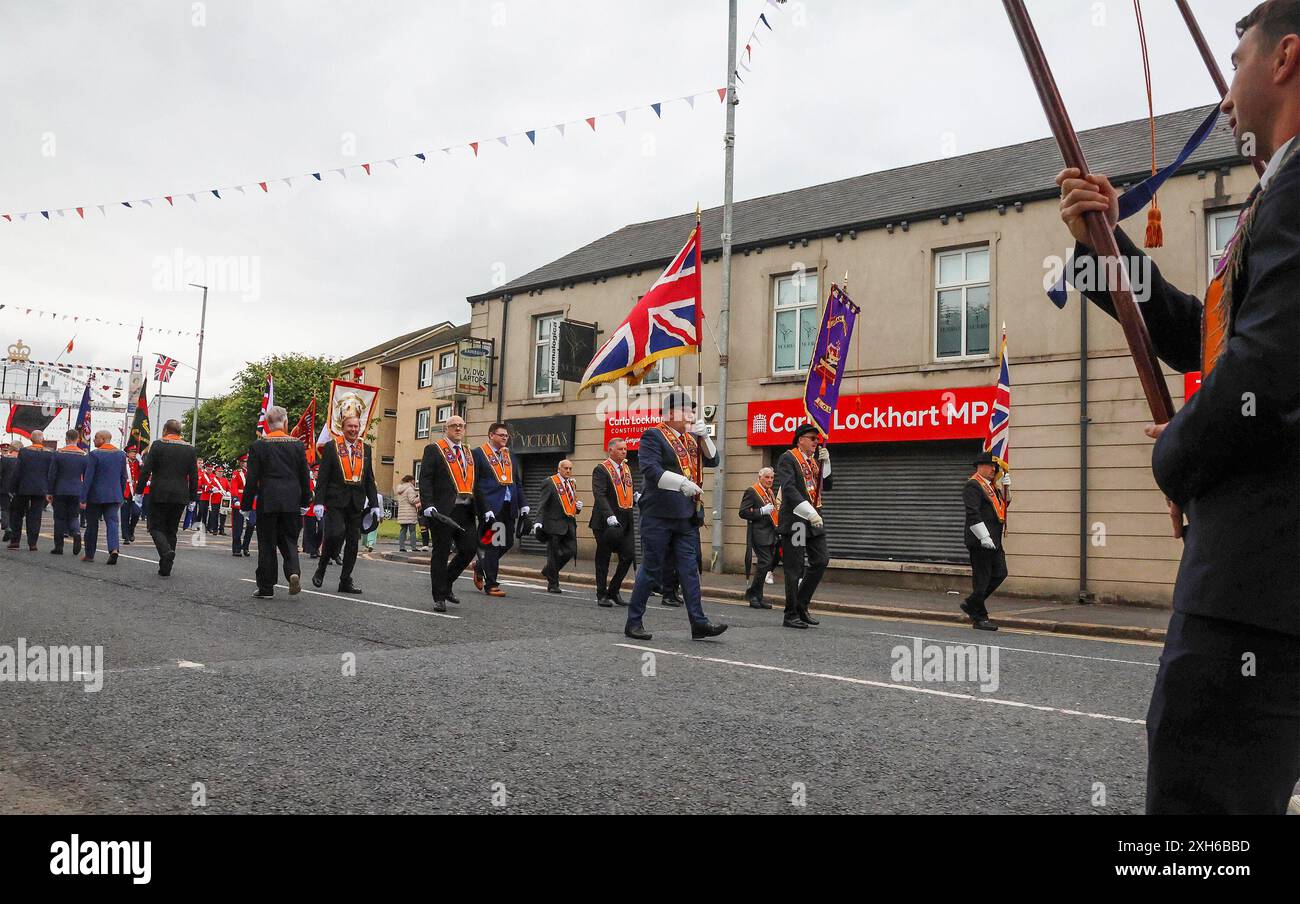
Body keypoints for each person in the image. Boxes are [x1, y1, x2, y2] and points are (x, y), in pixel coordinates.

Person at [1055, 1, 1300, 814]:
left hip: (1254, 595)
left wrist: (1175, 456)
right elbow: (1210, 337)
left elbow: (1262, 373)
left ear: (1285, 59)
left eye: (1236, 65)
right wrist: (1106, 249)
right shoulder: (1279, 193)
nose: (1226, 95)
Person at [623, 391, 727, 642]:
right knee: (652, 569)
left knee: (690, 571)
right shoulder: (653, 435)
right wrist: (682, 483)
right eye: (686, 410)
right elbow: (651, 470)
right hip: (658, 514)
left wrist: (705, 437)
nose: (691, 414)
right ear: (670, 413)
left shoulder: (691, 440)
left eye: (693, 410)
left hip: (685, 516)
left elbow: (713, 461)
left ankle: (699, 622)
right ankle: (633, 622)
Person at [243, 406, 311, 598]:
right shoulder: (297, 445)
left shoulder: (258, 445)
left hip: (269, 500)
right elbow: (304, 476)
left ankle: (266, 587)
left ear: (267, 424)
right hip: (291, 500)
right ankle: (293, 572)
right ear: (286, 422)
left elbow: (252, 478)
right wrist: (306, 501)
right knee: (290, 540)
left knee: (267, 544)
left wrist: (246, 505)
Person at [312, 413, 379, 594]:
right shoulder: (331, 447)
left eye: (356, 427)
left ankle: (345, 580)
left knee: (353, 543)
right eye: (350, 426)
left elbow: (369, 479)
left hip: (356, 502)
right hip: (335, 500)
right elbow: (323, 477)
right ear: (343, 428)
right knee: (335, 534)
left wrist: (374, 504)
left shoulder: (366, 449)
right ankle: (322, 567)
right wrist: (318, 502)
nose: (353, 430)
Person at [419, 415, 479, 612]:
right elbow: (426, 479)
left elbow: (474, 482)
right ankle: (439, 597)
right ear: (446, 428)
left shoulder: (468, 452)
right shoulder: (434, 450)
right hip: (443, 511)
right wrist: (428, 504)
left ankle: (446, 584)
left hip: (466, 510)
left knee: (469, 549)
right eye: (454, 426)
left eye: (461, 426)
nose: (458, 429)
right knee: (441, 553)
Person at [776, 423, 833, 630]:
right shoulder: (788, 458)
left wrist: (826, 464)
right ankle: (790, 614)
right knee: (795, 567)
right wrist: (810, 512)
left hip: (814, 522)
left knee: (821, 560)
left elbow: (826, 486)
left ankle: (801, 604)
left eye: (817, 439)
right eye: (812, 438)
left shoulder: (813, 462)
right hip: (798, 521)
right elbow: (789, 489)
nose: (816, 442)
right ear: (800, 439)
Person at [471, 422, 528, 597]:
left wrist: (523, 504)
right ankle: (491, 585)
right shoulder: (478, 454)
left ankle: (480, 566)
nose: (505, 438)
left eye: (506, 435)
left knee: (507, 542)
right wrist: (484, 508)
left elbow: (516, 482)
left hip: (508, 506)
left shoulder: (510, 455)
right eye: (501, 435)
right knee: (494, 544)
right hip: (491, 508)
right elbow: (476, 484)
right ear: (491, 435)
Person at [137, 419, 199, 577]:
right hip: (180, 494)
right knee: (172, 530)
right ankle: (166, 566)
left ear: (165, 429)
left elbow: (146, 470)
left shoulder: (158, 445)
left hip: (159, 492)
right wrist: (193, 497)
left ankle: (166, 551)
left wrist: (139, 490)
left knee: (155, 527)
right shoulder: (190, 449)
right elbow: (194, 476)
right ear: (179, 432)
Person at [961, 452, 1007, 632]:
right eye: (990, 466)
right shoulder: (973, 486)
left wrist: (1006, 489)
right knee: (982, 579)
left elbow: (1001, 508)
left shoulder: (992, 487)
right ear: (980, 466)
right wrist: (983, 536)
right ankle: (980, 617)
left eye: (994, 467)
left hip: (995, 539)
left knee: (1000, 573)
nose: (993, 469)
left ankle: (972, 603)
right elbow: (973, 513)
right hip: (980, 540)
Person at [591, 438, 636, 607]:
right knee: (604, 557)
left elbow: (627, 490)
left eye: (625, 449)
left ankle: (614, 590)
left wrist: (636, 497)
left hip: (625, 520)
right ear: (611, 450)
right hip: (605, 521)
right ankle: (601, 593)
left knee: (628, 555)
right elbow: (599, 494)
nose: (624, 451)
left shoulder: (626, 468)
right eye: (620, 449)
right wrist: (609, 515)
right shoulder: (601, 469)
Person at [80, 430, 128, 565]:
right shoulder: (120, 454)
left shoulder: (94, 454)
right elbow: (123, 477)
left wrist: (83, 498)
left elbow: (88, 478)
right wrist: (121, 495)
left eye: (95, 438)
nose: (94, 440)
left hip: (95, 496)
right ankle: (113, 549)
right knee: (112, 523)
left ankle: (89, 554)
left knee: (92, 525)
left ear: (102, 439)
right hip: (114, 495)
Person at [537, 459, 581, 594]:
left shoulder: (572, 483)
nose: (568, 471)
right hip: (553, 524)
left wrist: (578, 508)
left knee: (571, 550)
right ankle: (553, 584)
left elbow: (570, 503)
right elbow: (542, 503)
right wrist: (538, 521)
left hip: (569, 524)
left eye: (570, 468)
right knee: (554, 555)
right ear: (559, 469)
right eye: (565, 468)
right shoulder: (550, 482)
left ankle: (548, 570)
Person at [739, 466, 779, 609]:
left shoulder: (770, 493)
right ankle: (752, 595)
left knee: (767, 564)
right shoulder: (752, 491)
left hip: (770, 533)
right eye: (767, 477)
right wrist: (761, 511)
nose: (769, 480)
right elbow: (743, 512)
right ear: (759, 477)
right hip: (759, 533)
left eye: (772, 477)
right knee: (765, 562)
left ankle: (758, 596)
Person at [7, 430, 54, 551]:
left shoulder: (24, 452)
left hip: (23, 487)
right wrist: (50, 489)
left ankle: (15, 541)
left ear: (31, 439)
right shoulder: (49, 454)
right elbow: (51, 473)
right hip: (40, 488)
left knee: (17, 514)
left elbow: (17, 471)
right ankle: (32, 543)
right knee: (35, 516)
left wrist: (12, 487)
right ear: (42, 439)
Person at [48, 429, 87, 556]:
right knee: (74, 515)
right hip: (76, 489)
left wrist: (50, 491)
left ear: (66, 439)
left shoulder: (59, 453)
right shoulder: (83, 455)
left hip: (60, 489)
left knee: (59, 518)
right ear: (78, 439)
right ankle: (76, 532)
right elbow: (86, 476)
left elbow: (52, 474)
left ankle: (58, 547)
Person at [229, 455, 251, 557]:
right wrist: (235, 498)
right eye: (245, 461)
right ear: (241, 462)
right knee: (238, 526)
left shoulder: (253, 472)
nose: (246, 463)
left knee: (251, 525)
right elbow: (234, 487)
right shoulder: (236, 473)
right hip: (240, 500)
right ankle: (236, 548)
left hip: (251, 502)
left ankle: (245, 546)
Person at [121, 445, 142, 544]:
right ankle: (126, 536)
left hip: (135, 491)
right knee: (125, 515)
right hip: (125, 491)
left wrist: (142, 463)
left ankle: (131, 529)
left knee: (136, 512)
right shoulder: (123, 463)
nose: (134, 454)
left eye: (135, 452)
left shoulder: (138, 463)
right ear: (128, 454)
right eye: (132, 452)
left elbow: (143, 473)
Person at [394, 475, 421, 553]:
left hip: (402, 513)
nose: (414, 482)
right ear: (410, 480)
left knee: (403, 530)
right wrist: (420, 497)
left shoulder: (400, 489)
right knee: (412, 531)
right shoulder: (410, 489)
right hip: (410, 512)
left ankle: (402, 547)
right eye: (413, 480)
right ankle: (413, 547)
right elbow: (412, 500)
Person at [302, 463, 321, 558]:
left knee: (321, 530)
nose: (318, 473)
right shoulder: (308, 482)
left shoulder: (323, 482)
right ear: (313, 472)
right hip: (310, 509)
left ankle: (316, 546)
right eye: (316, 471)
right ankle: (313, 550)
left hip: (322, 509)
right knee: (311, 530)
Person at [0, 440, 15, 543]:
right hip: (11, 488)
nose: (5, 452)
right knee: (7, 509)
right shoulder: (15, 460)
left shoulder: (5, 460)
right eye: (3, 450)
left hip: (4, 488)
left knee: (6, 509)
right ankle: (8, 527)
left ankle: (7, 527)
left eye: (6, 450)